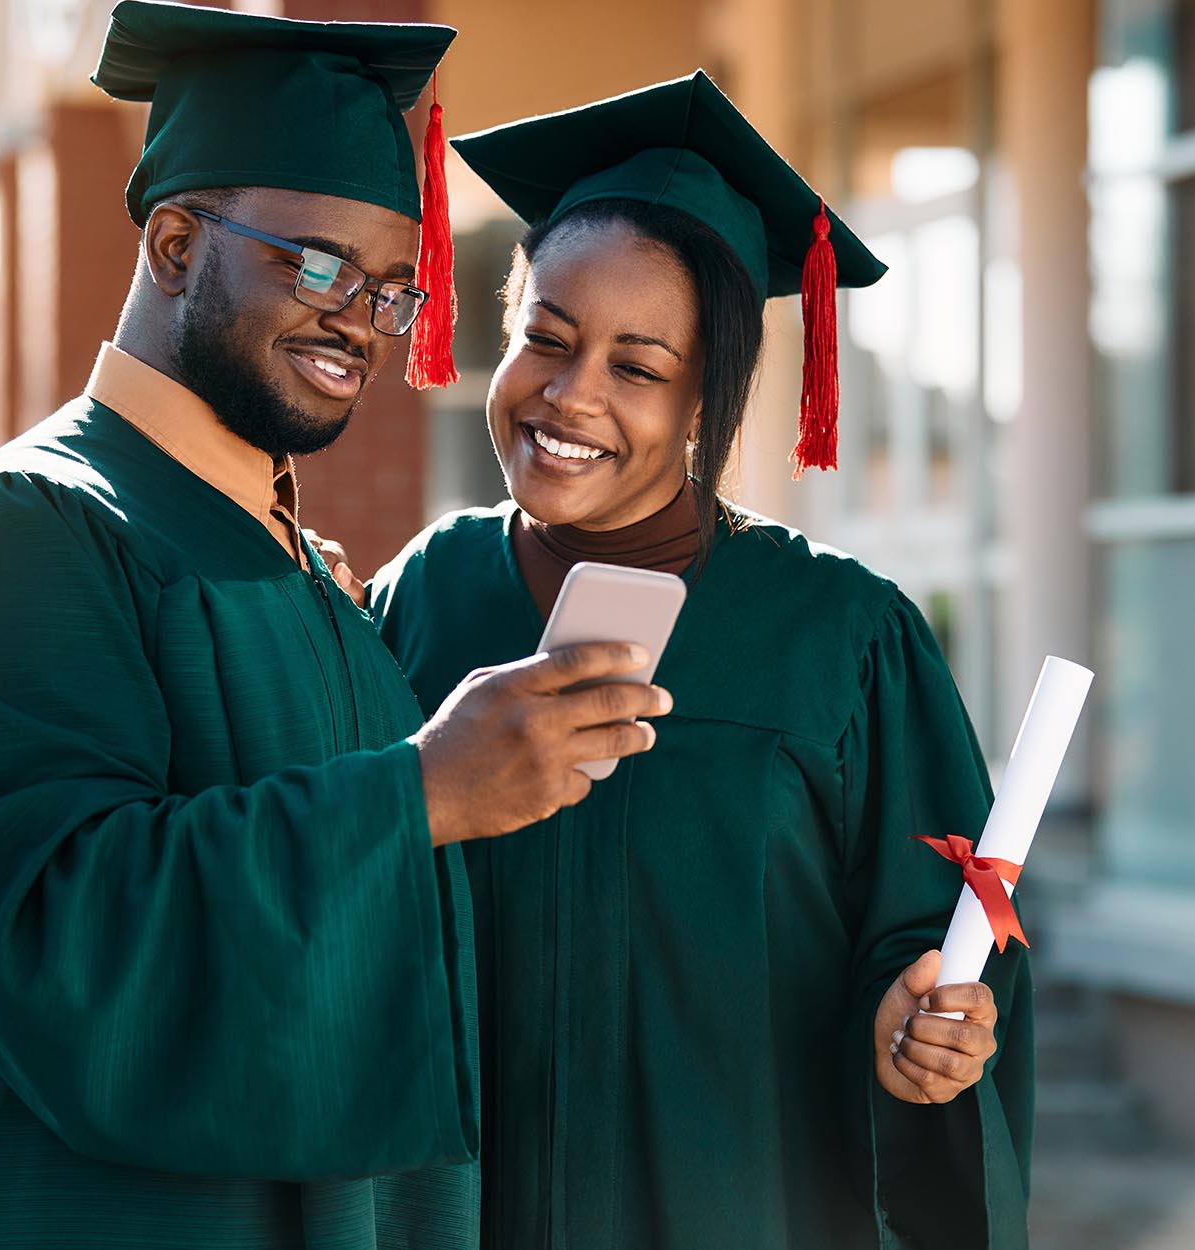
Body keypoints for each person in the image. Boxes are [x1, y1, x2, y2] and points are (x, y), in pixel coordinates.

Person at [0, 4, 668, 1249]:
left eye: (389, 291)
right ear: (170, 242)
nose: (356, 324)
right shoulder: (27, 529)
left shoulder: (302, 573)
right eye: (316, 264)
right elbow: (57, 927)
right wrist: (419, 793)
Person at [364, 72, 1034, 1249]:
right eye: (545, 339)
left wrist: (912, 1023)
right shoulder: (419, 594)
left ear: (702, 399)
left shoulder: (837, 636)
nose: (568, 395)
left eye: (637, 364)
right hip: (458, 1212)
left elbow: (933, 944)